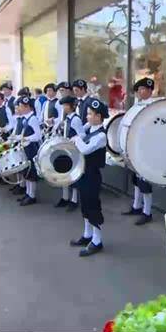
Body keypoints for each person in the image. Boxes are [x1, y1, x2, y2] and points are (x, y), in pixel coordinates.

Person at [69, 98, 109, 257]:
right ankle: (87, 235)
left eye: (90, 114)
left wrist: (78, 139)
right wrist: (78, 135)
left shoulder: (101, 135)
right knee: (85, 205)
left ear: (99, 116)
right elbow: (79, 134)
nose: (87, 117)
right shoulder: (90, 128)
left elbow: (85, 149)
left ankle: (97, 241)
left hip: (92, 174)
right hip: (83, 172)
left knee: (93, 206)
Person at [121, 77, 156, 225]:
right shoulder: (138, 106)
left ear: (149, 90)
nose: (139, 92)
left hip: (147, 148)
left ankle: (147, 212)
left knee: (145, 181)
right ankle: (137, 205)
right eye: (138, 90)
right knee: (136, 179)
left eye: (142, 89)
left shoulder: (153, 107)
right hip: (135, 147)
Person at [54, 95, 85, 211]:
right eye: (63, 105)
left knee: (73, 176)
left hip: (73, 150)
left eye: (66, 105)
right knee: (64, 174)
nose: (64, 108)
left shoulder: (75, 119)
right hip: (66, 149)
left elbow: (82, 135)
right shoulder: (67, 119)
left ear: (72, 106)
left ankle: (74, 200)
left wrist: (73, 139)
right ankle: (65, 198)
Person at [12, 96, 42, 206]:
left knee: (31, 172)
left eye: (20, 106)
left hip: (31, 148)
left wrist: (26, 138)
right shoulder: (26, 118)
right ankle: (28, 193)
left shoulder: (32, 118)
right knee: (26, 171)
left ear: (27, 106)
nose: (19, 109)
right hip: (26, 147)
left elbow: (38, 135)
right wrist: (17, 137)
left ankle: (32, 195)